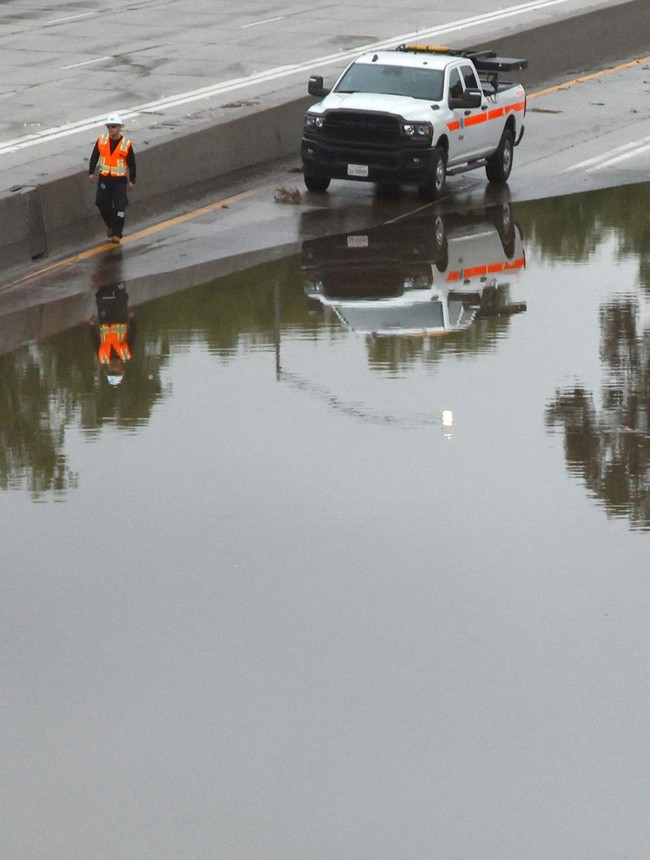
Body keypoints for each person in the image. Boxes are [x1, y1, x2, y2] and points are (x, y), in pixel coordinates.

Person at [88, 114, 136, 244]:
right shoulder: (102, 140)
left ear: (120, 128)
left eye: (113, 127)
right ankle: (111, 224)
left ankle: (117, 233)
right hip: (104, 179)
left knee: (120, 208)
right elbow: (94, 157)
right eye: (109, 127)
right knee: (101, 202)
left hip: (119, 181)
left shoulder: (126, 144)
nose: (111, 129)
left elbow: (132, 164)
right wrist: (91, 172)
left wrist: (132, 181)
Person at [89, 281, 137, 386]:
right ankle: (118, 282)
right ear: (121, 371)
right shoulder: (126, 354)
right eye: (116, 372)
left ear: (108, 370)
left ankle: (104, 281)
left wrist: (92, 325)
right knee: (120, 296)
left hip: (105, 321)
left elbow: (95, 341)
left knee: (102, 297)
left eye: (111, 372)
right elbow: (132, 335)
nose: (114, 369)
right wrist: (132, 319)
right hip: (120, 319)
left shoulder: (102, 357)